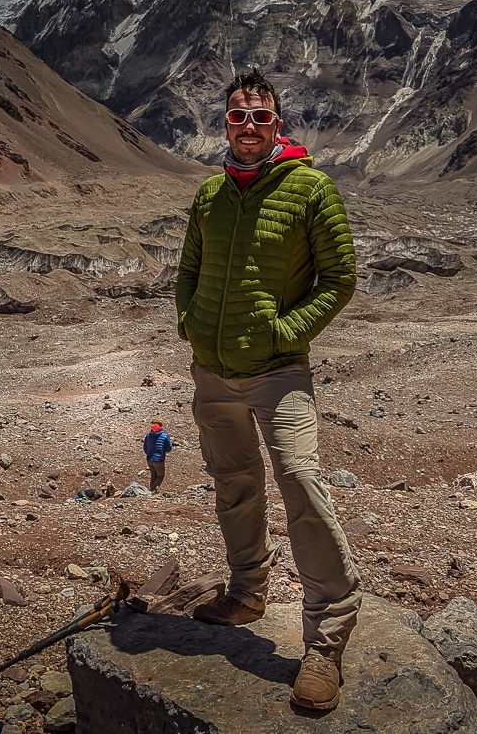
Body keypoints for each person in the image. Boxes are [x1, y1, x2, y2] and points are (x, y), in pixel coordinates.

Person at [175, 68, 362, 711]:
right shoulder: (209, 195)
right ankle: (247, 590)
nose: (247, 125)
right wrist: (190, 321)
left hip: (279, 372)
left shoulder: (312, 189)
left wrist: (285, 330)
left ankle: (327, 640)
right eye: (236, 116)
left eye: (259, 115)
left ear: (277, 122)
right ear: (224, 123)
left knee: (301, 482)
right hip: (212, 371)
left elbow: (340, 279)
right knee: (233, 482)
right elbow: (189, 269)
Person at [142, 418, 172, 494]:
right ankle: (152, 491)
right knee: (160, 476)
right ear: (161, 426)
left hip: (149, 459)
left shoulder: (148, 435)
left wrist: (149, 453)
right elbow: (169, 448)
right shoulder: (164, 435)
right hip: (159, 460)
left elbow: (145, 447)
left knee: (153, 476)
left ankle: (151, 492)